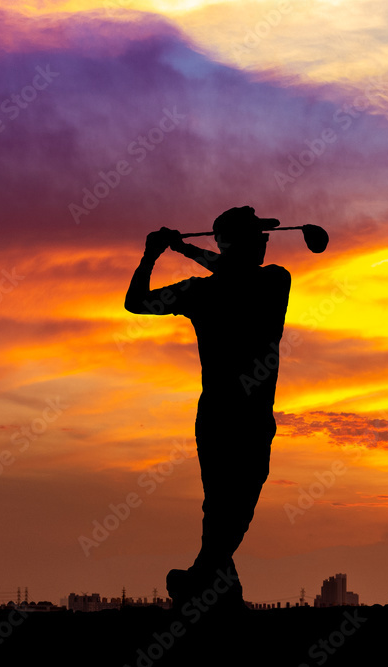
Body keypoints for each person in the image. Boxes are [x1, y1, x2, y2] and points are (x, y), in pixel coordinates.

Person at [124, 206, 291, 614]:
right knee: (226, 504)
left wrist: (159, 254)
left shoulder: (210, 290)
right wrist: (182, 250)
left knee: (226, 504)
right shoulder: (272, 281)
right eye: (259, 237)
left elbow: (138, 300)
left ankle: (212, 584)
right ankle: (206, 579)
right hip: (243, 415)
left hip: (223, 415)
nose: (266, 242)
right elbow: (136, 304)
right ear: (244, 243)